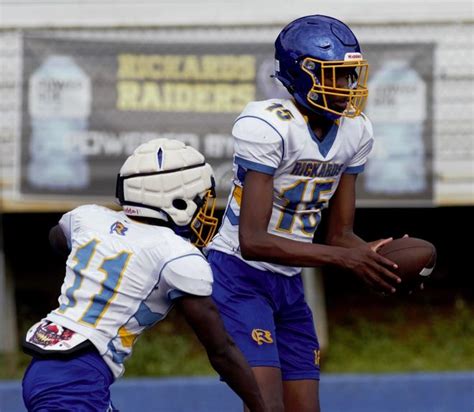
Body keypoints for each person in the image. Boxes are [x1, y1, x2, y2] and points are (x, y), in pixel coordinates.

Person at [204, 15, 403, 412]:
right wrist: (346, 260)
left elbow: (340, 235)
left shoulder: (355, 131)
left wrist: (378, 261)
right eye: (336, 76)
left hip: (289, 282)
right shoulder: (268, 125)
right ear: (301, 74)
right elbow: (254, 241)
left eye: (349, 76)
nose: (347, 88)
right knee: (267, 406)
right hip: (239, 275)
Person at [21, 138, 266, 412]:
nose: (204, 211)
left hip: (46, 368)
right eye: (201, 200)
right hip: (78, 379)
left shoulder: (87, 218)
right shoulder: (176, 254)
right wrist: (261, 407)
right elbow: (221, 351)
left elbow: (56, 237)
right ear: (178, 201)